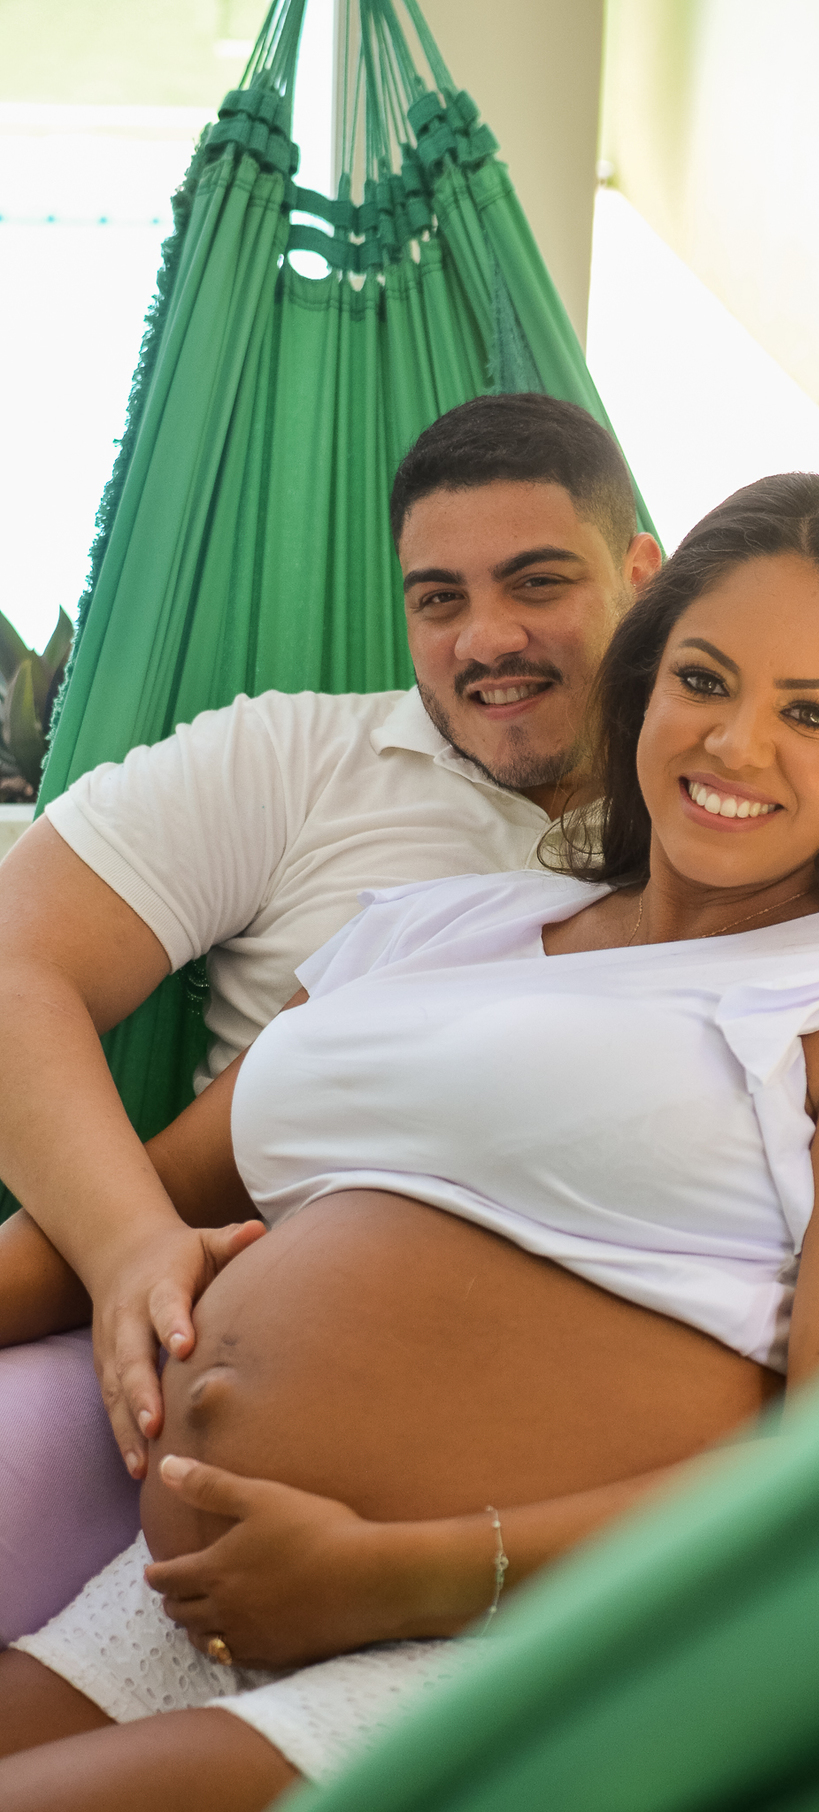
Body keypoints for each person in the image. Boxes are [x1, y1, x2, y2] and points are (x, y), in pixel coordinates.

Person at [0, 473, 819, 1811]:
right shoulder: (440, 925)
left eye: (811, 713)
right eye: (704, 682)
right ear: (643, 685)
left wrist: (408, 1571)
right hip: (185, 1604)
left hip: (521, 1642)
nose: (737, 745)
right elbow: (142, 1207)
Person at [0, 392, 662, 1642]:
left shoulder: (717, 842)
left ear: (641, 575)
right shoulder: (293, 762)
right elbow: (14, 964)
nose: (488, 639)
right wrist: (132, 1246)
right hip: (183, 1369)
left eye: (538, 583)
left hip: (518, 1480)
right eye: (439, 600)